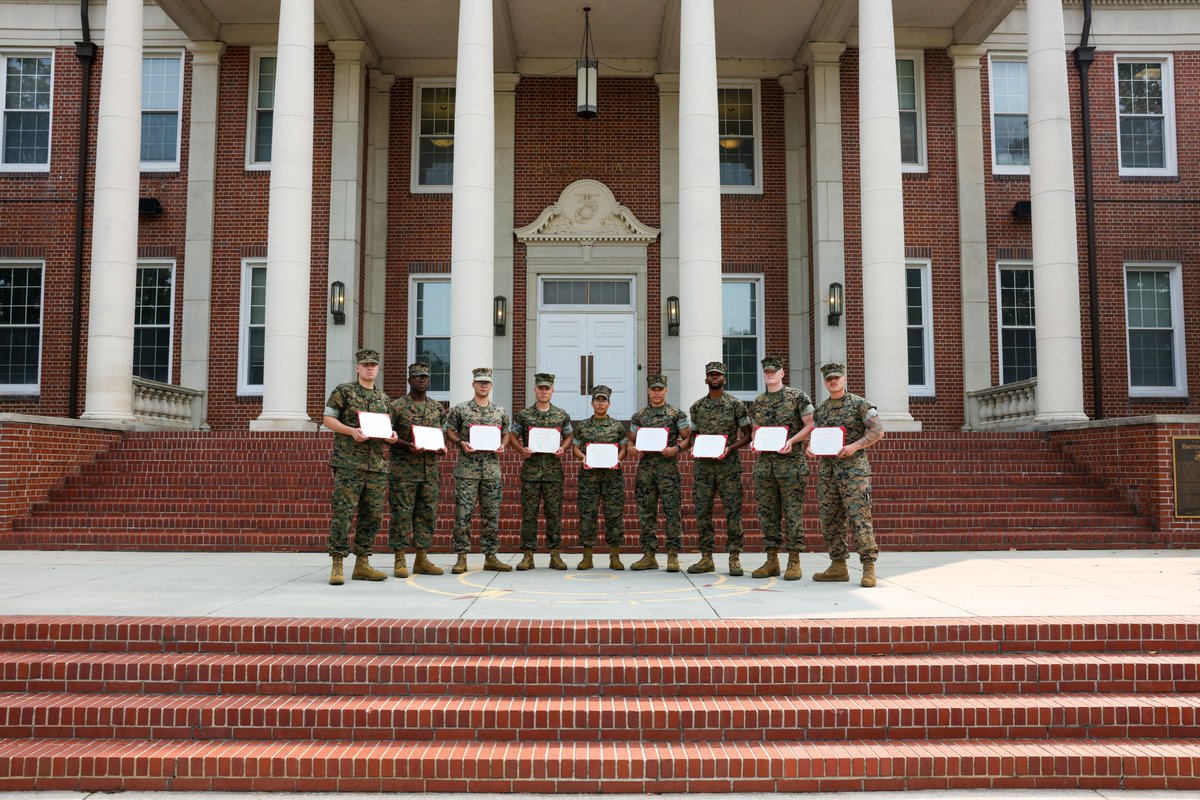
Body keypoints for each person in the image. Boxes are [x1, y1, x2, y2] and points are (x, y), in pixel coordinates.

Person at [321, 348, 398, 585]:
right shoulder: (344, 391)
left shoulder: (383, 399)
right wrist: (351, 431)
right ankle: (337, 563)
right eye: (365, 364)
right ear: (357, 368)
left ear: (378, 369)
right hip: (349, 464)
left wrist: (391, 436)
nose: (369, 368)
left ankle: (362, 563)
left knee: (372, 516)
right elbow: (327, 419)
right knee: (343, 513)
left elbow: (384, 429)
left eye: (373, 365)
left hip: (375, 465)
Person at [808, 361, 884, 588]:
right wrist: (812, 448)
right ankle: (838, 565)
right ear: (825, 382)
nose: (833, 381)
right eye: (829, 379)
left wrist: (855, 446)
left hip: (853, 472)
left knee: (859, 519)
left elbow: (877, 431)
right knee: (830, 519)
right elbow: (819, 435)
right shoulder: (821, 409)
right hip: (828, 472)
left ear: (844, 379)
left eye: (837, 378)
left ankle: (868, 566)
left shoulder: (860, 404)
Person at [749, 356, 815, 581]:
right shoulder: (758, 401)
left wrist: (792, 441)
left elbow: (811, 425)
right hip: (765, 467)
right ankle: (771, 560)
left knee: (793, 513)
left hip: (791, 465)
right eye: (766, 371)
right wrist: (753, 441)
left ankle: (794, 561)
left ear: (782, 373)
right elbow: (756, 428)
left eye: (773, 371)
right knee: (768, 514)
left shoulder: (797, 397)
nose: (770, 374)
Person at [685, 361, 752, 576]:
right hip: (703, 468)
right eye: (711, 375)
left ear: (724, 378)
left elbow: (749, 434)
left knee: (733, 512)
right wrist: (694, 446)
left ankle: (734, 558)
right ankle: (706, 557)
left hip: (728, 467)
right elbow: (694, 434)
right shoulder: (696, 407)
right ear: (706, 379)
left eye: (718, 375)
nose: (715, 378)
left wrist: (731, 448)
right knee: (703, 512)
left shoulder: (735, 405)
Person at [444, 367, 511, 573]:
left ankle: (490, 556)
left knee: (491, 514)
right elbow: (449, 430)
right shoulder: (461, 409)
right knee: (463, 514)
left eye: (487, 382)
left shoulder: (499, 411)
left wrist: (503, 445)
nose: (483, 385)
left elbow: (507, 433)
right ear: (473, 384)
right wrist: (461, 442)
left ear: (491, 385)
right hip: (467, 470)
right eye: (480, 382)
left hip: (491, 470)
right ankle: (461, 556)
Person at [508, 372, 573, 571]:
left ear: (552, 390)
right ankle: (528, 555)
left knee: (554, 513)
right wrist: (522, 450)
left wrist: (564, 447)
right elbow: (512, 436)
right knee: (529, 514)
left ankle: (555, 555)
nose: (544, 391)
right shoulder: (524, 415)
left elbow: (569, 435)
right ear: (535, 390)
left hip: (553, 472)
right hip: (531, 472)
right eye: (541, 388)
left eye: (547, 388)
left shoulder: (561, 415)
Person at [387, 361, 447, 578]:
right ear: (409, 380)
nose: (422, 380)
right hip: (403, 471)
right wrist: (406, 445)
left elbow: (441, 434)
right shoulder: (397, 407)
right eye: (418, 376)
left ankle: (422, 558)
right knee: (401, 514)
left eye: (425, 377)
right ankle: (400, 558)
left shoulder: (436, 407)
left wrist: (442, 448)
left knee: (427, 514)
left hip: (429, 470)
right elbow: (387, 436)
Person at [627, 374, 691, 571]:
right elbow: (630, 439)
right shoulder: (639, 416)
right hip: (646, 469)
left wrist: (677, 449)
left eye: (660, 389)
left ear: (666, 390)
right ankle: (649, 555)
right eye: (653, 389)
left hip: (668, 469)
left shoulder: (676, 414)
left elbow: (688, 438)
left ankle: (672, 555)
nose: (656, 392)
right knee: (647, 512)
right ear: (648, 391)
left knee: (672, 512)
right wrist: (630, 447)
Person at [571, 385, 629, 570]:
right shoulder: (583, 426)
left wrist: (616, 459)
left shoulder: (617, 426)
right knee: (588, 515)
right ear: (592, 403)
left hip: (612, 478)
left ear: (609, 403)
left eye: (604, 400)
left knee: (614, 515)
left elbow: (624, 449)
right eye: (598, 400)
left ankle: (615, 556)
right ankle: (587, 556)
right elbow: (575, 449)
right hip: (589, 478)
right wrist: (584, 458)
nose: (600, 403)